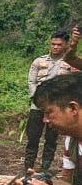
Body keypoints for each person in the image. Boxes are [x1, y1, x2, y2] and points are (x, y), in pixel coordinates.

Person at [24, 31, 73, 174]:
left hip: (57, 109)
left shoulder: (69, 63)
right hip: (37, 107)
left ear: (66, 45)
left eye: (59, 45)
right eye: (53, 44)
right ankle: (28, 169)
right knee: (32, 139)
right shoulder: (38, 61)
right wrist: (39, 100)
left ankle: (44, 170)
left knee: (51, 141)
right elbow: (31, 82)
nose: (55, 47)